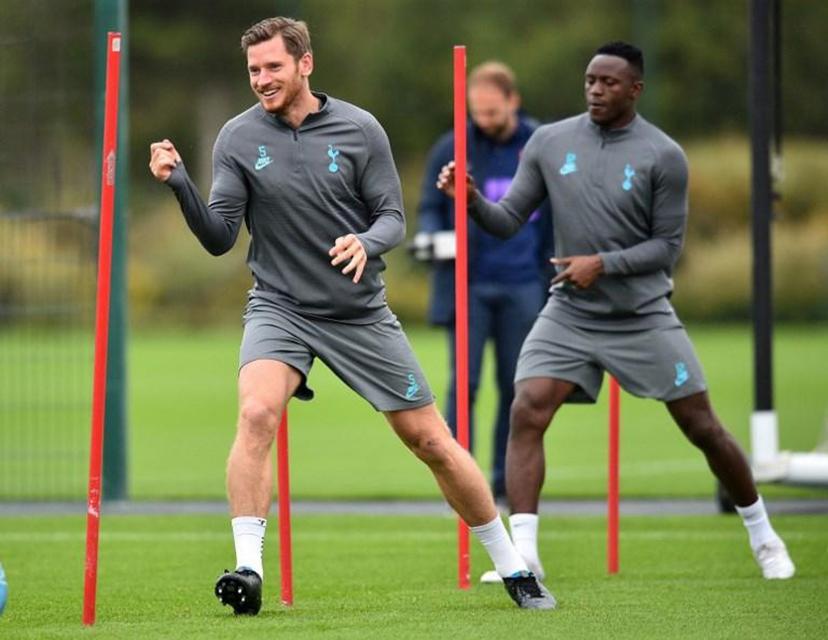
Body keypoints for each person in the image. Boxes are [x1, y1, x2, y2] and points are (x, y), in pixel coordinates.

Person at [148, 16, 556, 614]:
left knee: (430, 441)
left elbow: (393, 216)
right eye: (254, 70)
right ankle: (248, 570)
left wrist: (367, 241)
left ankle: (514, 567)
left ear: (305, 63)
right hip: (279, 305)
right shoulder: (236, 138)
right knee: (257, 412)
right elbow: (219, 237)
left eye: (273, 68)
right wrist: (181, 184)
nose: (261, 79)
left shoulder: (360, 128)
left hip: (358, 312)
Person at [438, 41, 795, 582]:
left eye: (608, 82)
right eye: (590, 81)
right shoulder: (550, 142)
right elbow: (509, 218)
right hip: (571, 311)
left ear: (635, 89)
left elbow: (666, 247)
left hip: (643, 315)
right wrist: (471, 202)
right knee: (527, 408)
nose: (596, 90)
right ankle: (525, 555)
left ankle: (763, 535)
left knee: (702, 427)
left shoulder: (663, 155)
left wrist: (600, 264)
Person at [417, 62, 552, 509]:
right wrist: (435, 237)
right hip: (468, 285)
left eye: (493, 112)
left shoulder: (538, 144)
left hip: (524, 282)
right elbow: (429, 209)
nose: (484, 121)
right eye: (477, 113)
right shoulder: (452, 146)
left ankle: (503, 477)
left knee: (518, 388)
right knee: (465, 383)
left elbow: (557, 207)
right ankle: (461, 475)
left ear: (513, 101)